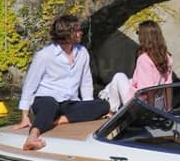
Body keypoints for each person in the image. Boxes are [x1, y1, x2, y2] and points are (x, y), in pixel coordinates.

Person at [15, 14, 110, 152]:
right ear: (67, 33)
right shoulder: (45, 55)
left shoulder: (82, 53)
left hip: (69, 102)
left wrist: (88, 108)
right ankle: (32, 137)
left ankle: (57, 121)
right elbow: (30, 85)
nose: (81, 33)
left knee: (104, 105)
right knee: (50, 105)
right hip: (45, 99)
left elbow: (86, 82)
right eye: (77, 30)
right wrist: (24, 116)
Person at [99, 20, 173, 112]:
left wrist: (150, 112)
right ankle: (106, 93)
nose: (138, 36)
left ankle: (112, 109)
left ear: (144, 37)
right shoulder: (167, 57)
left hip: (139, 104)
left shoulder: (144, 59)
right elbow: (168, 85)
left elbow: (148, 89)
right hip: (158, 103)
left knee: (118, 77)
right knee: (124, 81)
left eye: (138, 33)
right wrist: (168, 109)